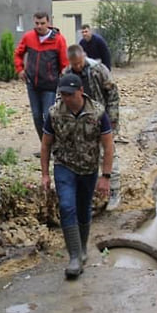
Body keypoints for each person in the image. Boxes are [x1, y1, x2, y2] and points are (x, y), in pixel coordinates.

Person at [41, 73, 114, 279]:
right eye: (62, 94)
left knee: (83, 209)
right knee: (66, 206)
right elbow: (46, 144)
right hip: (64, 166)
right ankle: (73, 257)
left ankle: (82, 250)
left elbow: (108, 146)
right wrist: (45, 174)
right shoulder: (54, 113)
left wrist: (105, 176)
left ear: (81, 91)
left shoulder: (98, 113)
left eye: (70, 94)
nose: (66, 98)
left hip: (89, 169)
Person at [59, 44, 122, 209]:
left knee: (108, 153)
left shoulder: (98, 70)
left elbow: (113, 95)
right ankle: (92, 193)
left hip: (102, 117)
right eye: (75, 65)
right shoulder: (67, 74)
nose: (78, 67)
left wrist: (112, 119)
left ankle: (114, 190)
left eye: (80, 63)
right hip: (80, 121)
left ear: (84, 56)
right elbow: (61, 100)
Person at [14, 12, 69, 142]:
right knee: (37, 116)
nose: (39, 26)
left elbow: (64, 64)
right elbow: (18, 53)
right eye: (37, 23)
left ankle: (54, 144)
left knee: (48, 115)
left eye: (42, 23)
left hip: (49, 84)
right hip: (32, 83)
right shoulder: (29, 37)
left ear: (48, 23)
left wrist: (64, 81)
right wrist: (20, 69)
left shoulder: (58, 40)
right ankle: (45, 145)